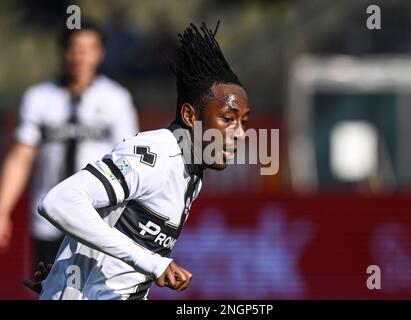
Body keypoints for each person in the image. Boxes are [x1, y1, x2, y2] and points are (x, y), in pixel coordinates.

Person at [33, 21, 250, 300]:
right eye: (228, 119)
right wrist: (153, 263)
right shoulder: (155, 155)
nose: (240, 134)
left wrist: (65, 276)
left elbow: (114, 236)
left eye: (244, 122)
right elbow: (58, 201)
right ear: (190, 116)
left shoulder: (192, 173)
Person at [0, 21, 139, 265]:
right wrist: (2, 209)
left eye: (88, 48)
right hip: (48, 219)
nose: (80, 56)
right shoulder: (38, 98)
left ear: (100, 53)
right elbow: (21, 157)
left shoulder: (117, 99)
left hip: (99, 221)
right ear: (62, 51)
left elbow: (128, 162)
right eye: (74, 48)